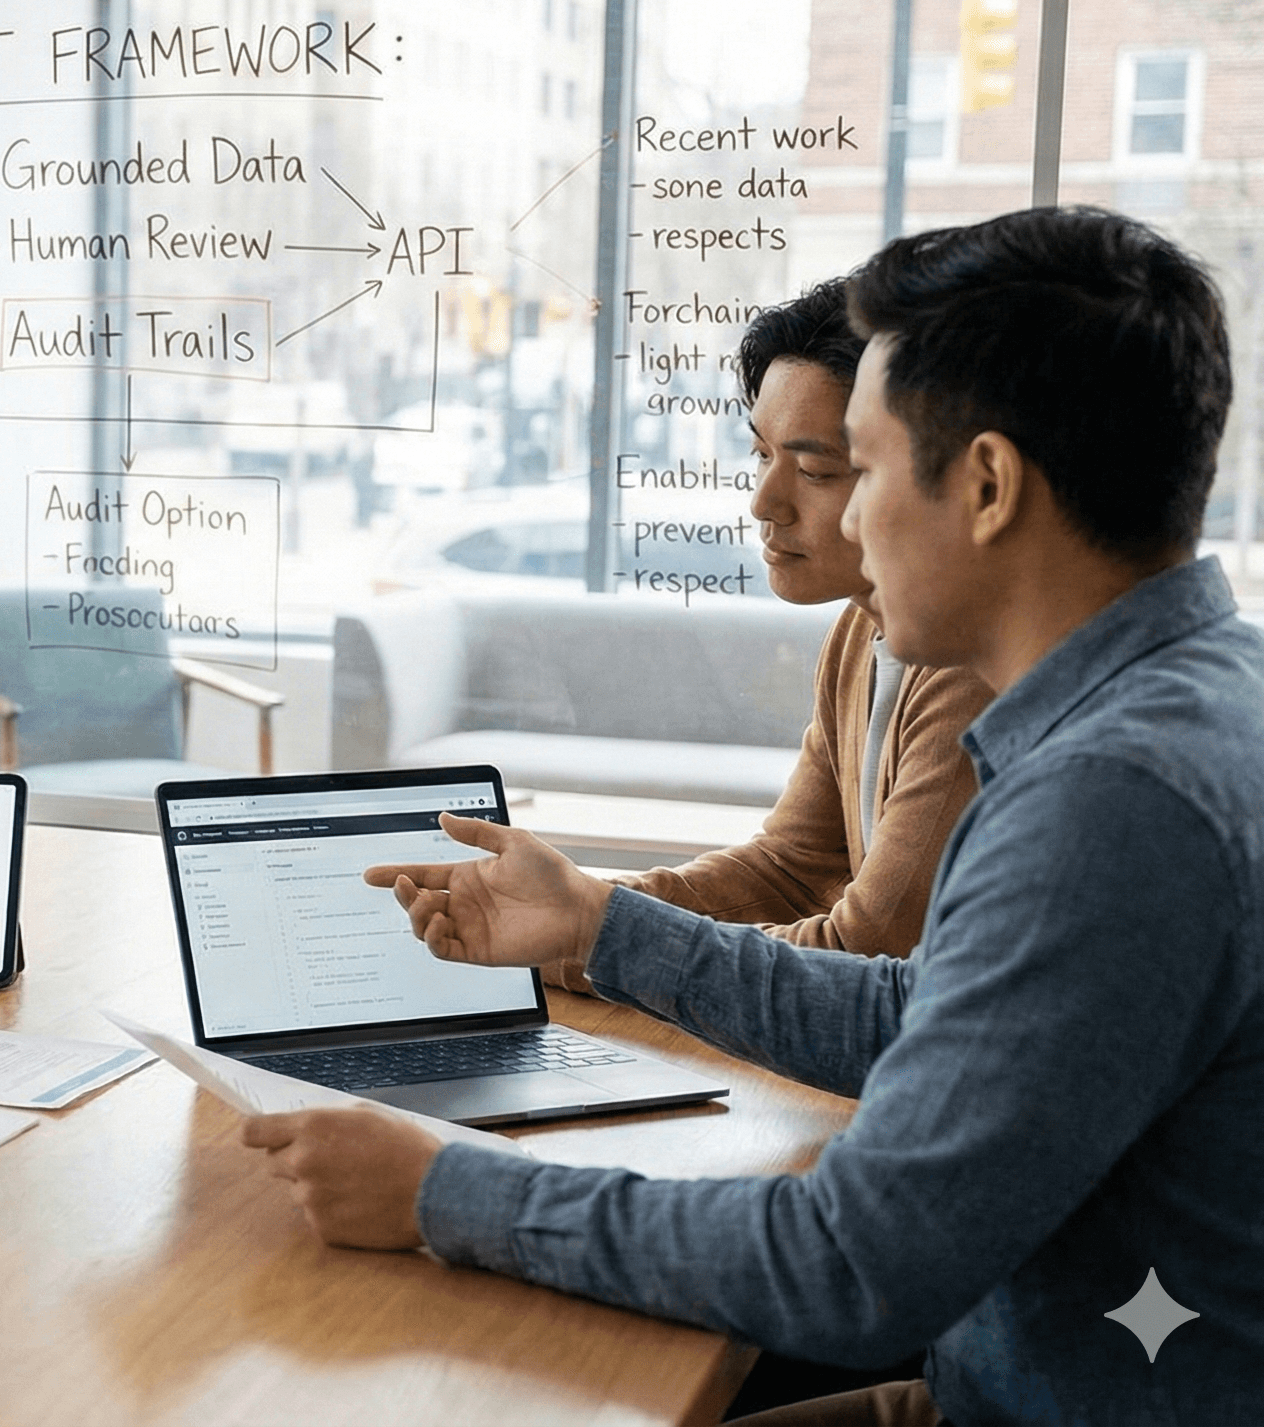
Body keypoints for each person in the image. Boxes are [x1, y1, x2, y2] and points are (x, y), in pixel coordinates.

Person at [243, 207, 1261, 1424]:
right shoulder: (1182, 701)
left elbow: (850, 1265)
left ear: (984, 484)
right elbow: (928, 1014)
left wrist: (441, 1195)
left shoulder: (1111, 800)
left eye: (861, 468)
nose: (835, 515)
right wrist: (593, 926)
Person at [549, 280, 992, 993]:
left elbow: (871, 950)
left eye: (817, 470)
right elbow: (788, 870)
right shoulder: (859, 627)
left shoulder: (972, 665)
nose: (763, 501)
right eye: (761, 455)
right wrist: (579, 909)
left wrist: (588, 944)